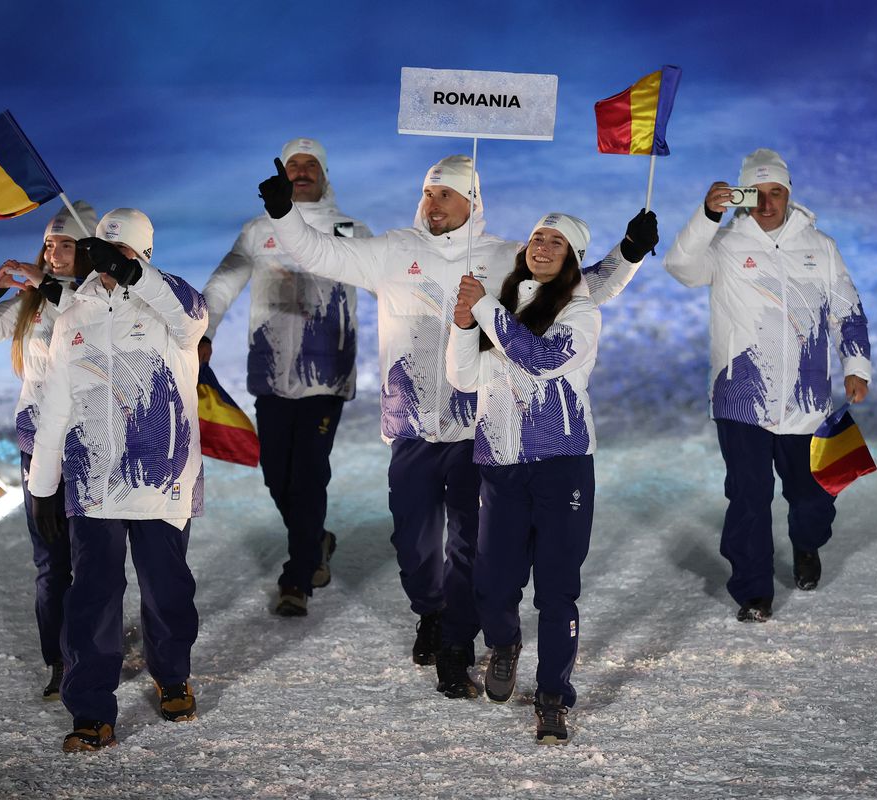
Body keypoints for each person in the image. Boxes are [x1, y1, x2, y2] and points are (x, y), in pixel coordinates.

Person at [257, 155, 657, 697]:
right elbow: (318, 251)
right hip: (413, 423)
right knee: (413, 542)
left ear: (473, 200)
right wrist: (284, 213)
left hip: (480, 429)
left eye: (444, 195)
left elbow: (577, 286)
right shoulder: (394, 251)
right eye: (427, 193)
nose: (432, 204)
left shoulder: (501, 255)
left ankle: (456, 640)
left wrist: (629, 254)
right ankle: (431, 611)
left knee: (470, 544)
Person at [662, 148, 871, 622]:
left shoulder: (820, 246)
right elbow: (680, 267)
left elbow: (848, 309)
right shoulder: (725, 242)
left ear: (789, 194)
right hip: (740, 397)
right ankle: (753, 590)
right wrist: (706, 215)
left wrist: (856, 366)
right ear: (743, 196)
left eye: (776, 191)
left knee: (814, 494)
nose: (767, 201)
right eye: (757, 192)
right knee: (749, 496)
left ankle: (806, 544)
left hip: (808, 399)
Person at [28, 208, 209, 752]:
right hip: (93, 480)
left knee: (166, 588)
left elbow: (191, 321)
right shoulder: (74, 312)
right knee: (93, 598)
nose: (108, 263)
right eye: (103, 252)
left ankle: (172, 673)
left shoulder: (172, 304)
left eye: (122, 252)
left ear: (143, 253)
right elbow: (56, 404)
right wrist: (42, 487)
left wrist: (135, 276)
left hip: (161, 477)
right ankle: (90, 710)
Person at [448, 213, 604, 744]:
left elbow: (537, 359)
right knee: (493, 582)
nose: (543, 245)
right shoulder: (504, 306)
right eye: (538, 236)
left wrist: (485, 308)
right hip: (500, 462)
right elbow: (462, 377)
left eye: (556, 241)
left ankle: (553, 695)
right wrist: (462, 324)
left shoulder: (581, 312)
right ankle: (505, 643)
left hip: (562, 464)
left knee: (557, 589)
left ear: (572, 258)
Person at [204, 138, 371, 617]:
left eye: (310, 164)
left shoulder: (351, 231)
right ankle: (315, 539)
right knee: (277, 473)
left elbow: (392, 283)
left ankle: (296, 577)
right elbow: (223, 282)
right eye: (292, 164)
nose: (300, 171)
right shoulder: (259, 231)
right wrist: (202, 330)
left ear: (324, 173)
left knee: (309, 474)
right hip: (272, 372)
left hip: (326, 373)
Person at [0, 200, 97, 701]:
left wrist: (48, 285)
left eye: (66, 245)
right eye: (49, 245)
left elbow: (84, 318)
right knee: (51, 561)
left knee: (93, 558)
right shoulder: (34, 301)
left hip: (90, 446)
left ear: (89, 249)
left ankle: (92, 654)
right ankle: (59, 660)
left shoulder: (104, 298)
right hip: (38, 444)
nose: (54, 254)